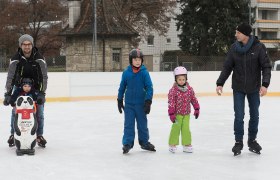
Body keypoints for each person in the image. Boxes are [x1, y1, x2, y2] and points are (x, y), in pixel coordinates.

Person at [216, 23, 271, 156]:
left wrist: (265, 84)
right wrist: (220, 83)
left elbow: (266, 67)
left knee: (254, 115)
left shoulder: (259, 47)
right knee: (239, 116)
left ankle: (252, 140)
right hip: (238, 87)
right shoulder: (234, 48)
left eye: (238, 33)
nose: (236, 35)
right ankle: (238, 142)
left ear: (245, 34)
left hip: (254, 88)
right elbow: (227, 67)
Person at [3, 34, 48, 148]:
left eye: (29, 44)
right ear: (20, 45)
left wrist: (42, 93)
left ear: (32, 45)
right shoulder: (15, 59)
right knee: (15, 112)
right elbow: (10, 76)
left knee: (40, 113)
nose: (27, 47)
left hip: (36, 88)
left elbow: (44, 76)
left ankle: (39, 135)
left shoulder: (39, 58)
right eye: (24, 44)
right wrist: (8, 94)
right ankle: (13, 134)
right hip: (19, 88)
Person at [117, 48, 156, 154]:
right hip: (129, 105)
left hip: (141, 105)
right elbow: (122, 87)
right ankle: (127, 143)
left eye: (139, 59)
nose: (137, 61)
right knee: (128, 125)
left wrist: (148, 101)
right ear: (131, 60)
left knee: (142, 125)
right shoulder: (126, 73)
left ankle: (144, 142)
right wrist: (119, 100)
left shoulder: (144, 73)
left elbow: (149, 87)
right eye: (135, 59)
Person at [168, 66, 200, 153]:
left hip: (186, 113)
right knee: (176, 128)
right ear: (176, 80)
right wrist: (171, 114)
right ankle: (172, 144)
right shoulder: (173, 90)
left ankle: (186, 144)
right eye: (179, 79)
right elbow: (171, 102)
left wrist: (196, 108)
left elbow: (193, 99)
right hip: (177, 114)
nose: (181, 81)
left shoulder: (189, 89)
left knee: (186, 129)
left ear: (186, 79)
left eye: (183, 79)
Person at [7, 78, 37, 147]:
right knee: (14, 116)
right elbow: (13, 98)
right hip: (19, 111)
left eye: (29, 86)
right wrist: (11, 101)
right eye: (25, 86)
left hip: (29, 111)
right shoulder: (18, 91)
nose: (27, 88)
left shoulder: (32, 91)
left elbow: (35, 99)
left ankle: (33, 134)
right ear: (22, 86)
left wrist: (38, 100)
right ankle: (12, 134)